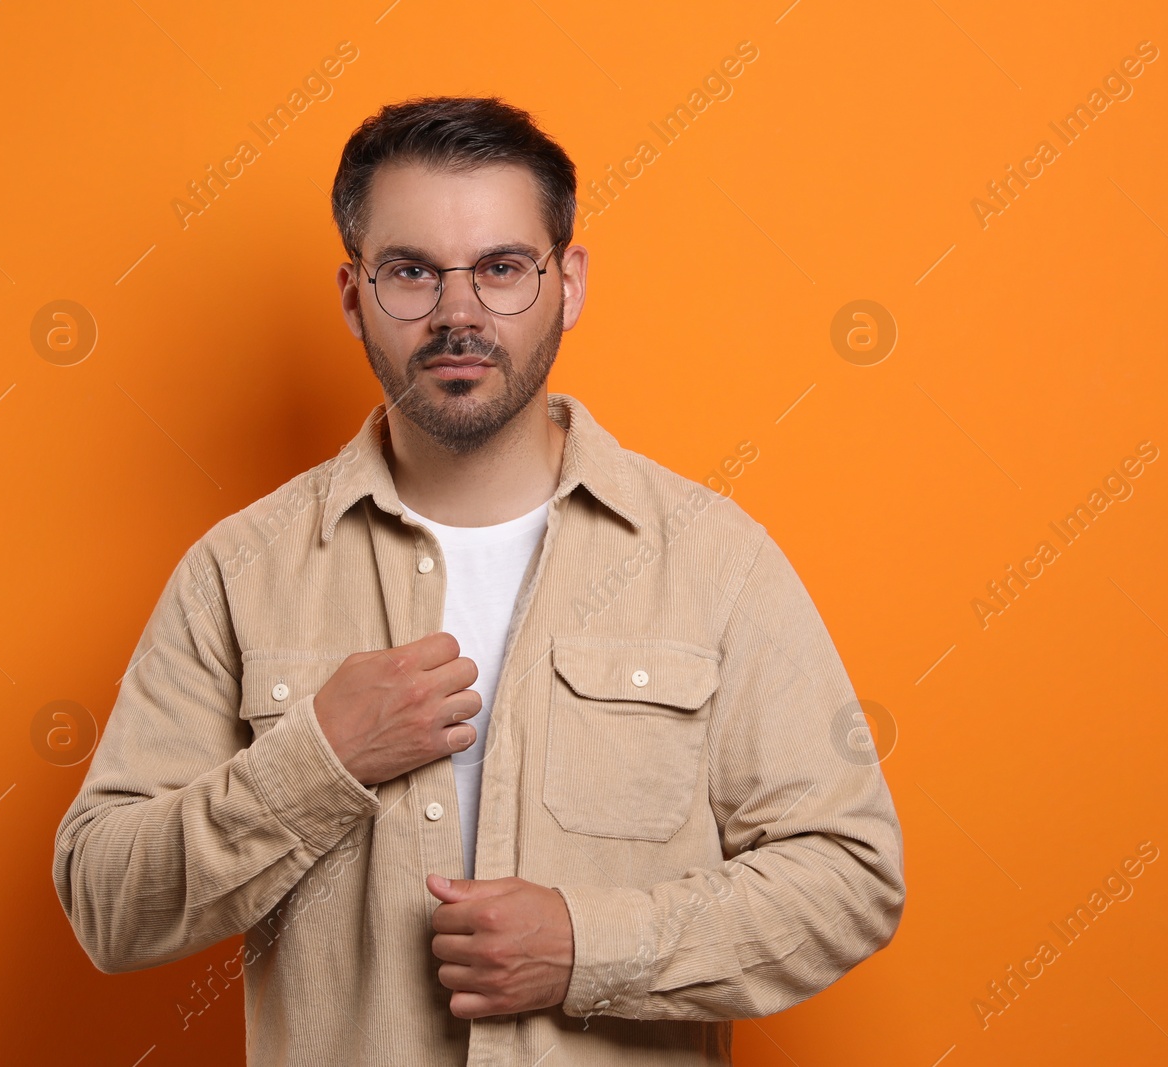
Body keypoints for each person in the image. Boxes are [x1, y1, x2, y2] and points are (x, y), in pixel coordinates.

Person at [52, 95, 905, 1066]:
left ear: (568, 283)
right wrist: (316, 759)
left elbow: (850, 873)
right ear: (351, 294)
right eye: (410, 271)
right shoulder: (235, 572)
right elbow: (107, 901)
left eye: (502, 268)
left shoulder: (713, 560)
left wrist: (587, 946)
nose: (458, 312)